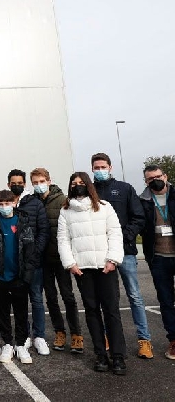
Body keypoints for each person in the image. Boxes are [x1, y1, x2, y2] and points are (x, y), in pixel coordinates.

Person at [58, 172, 126, 375]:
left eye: (81, 183)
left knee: (112, 311)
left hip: (106, 267)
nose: (77, 186)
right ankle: (101, 355)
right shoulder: (66, 211)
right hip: (82, 269)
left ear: (89, 185)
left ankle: (118, 356)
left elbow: (115, 233)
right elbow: (63, 239)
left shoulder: (104, 207)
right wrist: (70, 263)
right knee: (92, 311)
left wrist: (112, 259)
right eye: (74, 183)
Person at [91, 152, 153, 359]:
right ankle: (110, 337)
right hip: (101, 255)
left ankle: (144, 340)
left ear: (110, 167)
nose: (100, 171)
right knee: (109, 300)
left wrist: (123, 239)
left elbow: (138, 217)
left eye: (103, 167)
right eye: (96, 167)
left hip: (125, 252)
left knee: (134, 295)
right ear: (92, 169)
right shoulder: (89, 192)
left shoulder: (125, 189)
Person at [30, 168, 84, 353]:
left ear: (49, 180)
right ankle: (59, 331)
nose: (38, 185)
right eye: (35, 182)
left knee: (68, 296)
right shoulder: (32, 202)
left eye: (41, 181)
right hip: (43, 259)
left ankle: (76, 334)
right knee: (51, 298)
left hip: (62, 258)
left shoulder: (62, 201)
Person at [0, 190, 38, 365]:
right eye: (1, 204)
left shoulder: (23, 223)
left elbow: (30, 254)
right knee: (2, 312)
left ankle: (21, 344)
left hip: (19, 278)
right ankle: (7, 343)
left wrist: (26, 278)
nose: (4, 207)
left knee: (21, 312)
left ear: (14, 203)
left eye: (8, 203)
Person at [7, 169, 50, 355]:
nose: (16, 185)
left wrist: (33, 254)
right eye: (13, 182)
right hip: (14, 264)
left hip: (34, 262)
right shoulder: (6, 204)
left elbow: (43, 231)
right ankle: (23, 336)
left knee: (37, 299)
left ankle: (39, 336)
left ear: (24, 184)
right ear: (8, 184)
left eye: (19, 182)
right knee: (19, 301)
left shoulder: (34, 203)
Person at [139, 165, 175, 359]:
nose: (154, 181)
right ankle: (173, 340)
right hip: (159, 258)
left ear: (165, 176)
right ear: (146, 182)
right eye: (149, 179)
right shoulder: (142, 201)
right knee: (166, 301)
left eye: (157, 177)